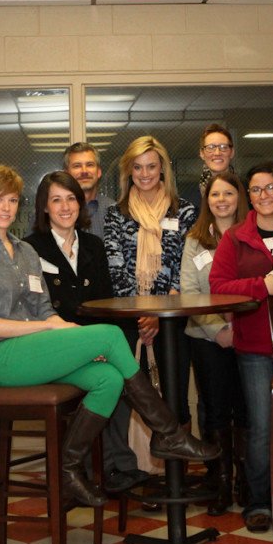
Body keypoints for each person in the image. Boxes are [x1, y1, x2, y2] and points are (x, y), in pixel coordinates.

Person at [0, 165, 218, 509]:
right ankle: (168, 433)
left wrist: (69, 332)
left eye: (12, 199)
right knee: (108, 336)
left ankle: (70, 467)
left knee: (106, 377)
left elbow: (44, 308)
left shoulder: (25, 251)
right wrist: (52, 328)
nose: (5, 207)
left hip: (34, 353)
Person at [22, 171, 146, 494]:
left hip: (94, 342)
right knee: (115, 370)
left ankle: (113, 467)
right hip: (53, 345)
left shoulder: (94, 245)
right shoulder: (29, 248)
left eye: (72, 198)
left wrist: (99, 341)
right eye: (56, 200)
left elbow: (105, 303)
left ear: (81, 204)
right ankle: (109, 464)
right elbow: (35, 308)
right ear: (44, 208)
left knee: (114, 374)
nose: (66, 207)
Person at [210, 162, 273, 533]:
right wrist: (262, 286)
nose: (264, 195)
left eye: (271, 187)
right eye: (256, 190)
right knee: (259, 426)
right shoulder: (235, 237)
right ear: (248, 197)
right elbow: (219, 288)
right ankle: (258, 499)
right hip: (254, 346)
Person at [103, 136, 197, 426]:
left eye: (151, 166)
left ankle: (176, 466)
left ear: (163, 170)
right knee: (135, 398)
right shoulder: (115, 214)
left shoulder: (184, 211)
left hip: (171, 321)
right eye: (138, 167)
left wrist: (159, 312)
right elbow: (115, 267)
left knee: (174, 398)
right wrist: (141, 313)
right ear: (129, 171)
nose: (145, 174)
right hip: (130, 322)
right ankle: (139, 467)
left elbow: (186, 266)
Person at [179, 172, 249, 515]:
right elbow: (190, 293)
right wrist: (218, 331)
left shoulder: (252, 234)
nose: (221, 200)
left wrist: (240, 331)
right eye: (214, 195)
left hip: (250, 337)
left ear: (240, 197)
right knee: (216, 411)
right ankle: (221, 484)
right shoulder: (195, 240)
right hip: (207, 339)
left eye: (228, 193)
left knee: (248, 410)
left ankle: (248, 483)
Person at [64, 142, 114, 240]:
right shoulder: (52, 212)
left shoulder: (114, 211)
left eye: (90, 165)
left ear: (99, 172)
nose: (84, 171)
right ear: (66, 173)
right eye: (77, 166)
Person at [182, 123, 236, 211]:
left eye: (223, 147)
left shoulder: (247, 192)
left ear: (232, 152)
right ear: (202, 153)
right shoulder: (187, 201)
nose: (217, 153)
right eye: (211, 147)